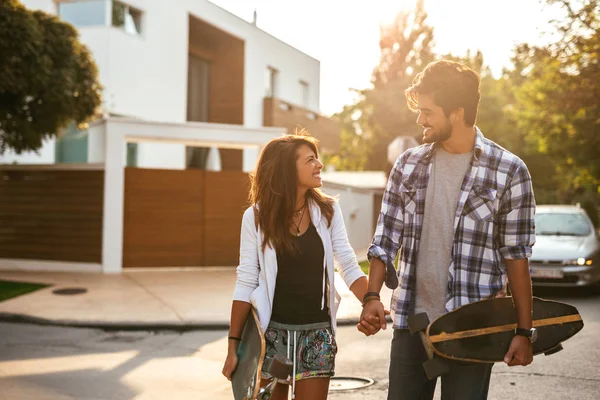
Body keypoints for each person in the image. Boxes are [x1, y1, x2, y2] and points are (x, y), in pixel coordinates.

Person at [358, 60, 537, 400]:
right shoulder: (408, 165)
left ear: (457, 113)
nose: (419, 120)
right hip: (412, 325)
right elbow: (384, 238)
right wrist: (371, 297)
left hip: (473, 329)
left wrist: (524, 331)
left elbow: (516, 257)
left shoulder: (509, 171)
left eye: (428, 111)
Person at [222, 134, 369, 400]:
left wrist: (369, 300)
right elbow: (246, 281)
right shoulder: (255, 217)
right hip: (272, 337)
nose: (319, 165)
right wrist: (234, 346)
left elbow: (347, 263)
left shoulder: (328, 211)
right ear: (287, 169)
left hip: (317, 334)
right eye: (310, 160)